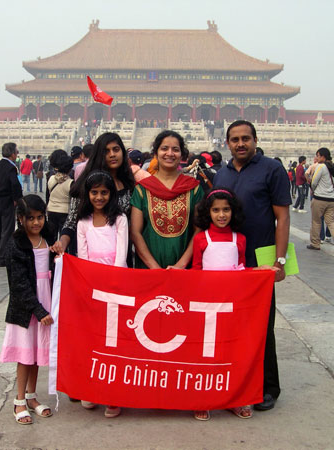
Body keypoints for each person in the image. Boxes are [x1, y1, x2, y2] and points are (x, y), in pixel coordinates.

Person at [213, 120, 290, 411]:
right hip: (228, 261)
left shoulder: (272, 169)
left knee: (261, 325)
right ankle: (235, 382)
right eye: (235, 139)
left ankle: (267, 387)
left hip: (260, 260)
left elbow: (282, 218)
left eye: (246, 138)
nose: (240, 144)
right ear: (228, 143)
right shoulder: (222, 174)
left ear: (255, 140)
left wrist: (279, 261)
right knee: (231, 325)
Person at [192, 187, 249, 421]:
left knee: (232, 353)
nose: (222, 215)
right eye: (216, 210)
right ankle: (203, 399)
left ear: (233, 212)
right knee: (206, 355)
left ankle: (235, 399)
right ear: (208, 212)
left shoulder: (240, 239)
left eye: (226, 210)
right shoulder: (200, 239)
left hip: (232, 307)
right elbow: (196, 271)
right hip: (207, 308)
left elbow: (244, 270)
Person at [75, 170, 127, 418]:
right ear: (88, 194)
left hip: (116, 289)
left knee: (114, 343)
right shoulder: (82, 223)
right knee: (93, 341)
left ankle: (113, 395)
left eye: (104, 192)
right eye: (94, 192)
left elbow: (121, 256)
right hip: (92, 289)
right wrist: (91, 287)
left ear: (111, 194)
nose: (99, 197)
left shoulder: (119, 220)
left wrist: (113, 285)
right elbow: (83, 259)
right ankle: (91, 389)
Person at [0, 194, 54, 424]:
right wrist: (38, 310)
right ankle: (19, 400)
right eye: (30, 218)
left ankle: (32, 396)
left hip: (45, 301)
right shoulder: (16, 244)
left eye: (40, 217)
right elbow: (19, 284)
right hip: (26, 309)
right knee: (25, 356)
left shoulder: (47, 239)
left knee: (37, 354)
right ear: (20, 219)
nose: (35, 223)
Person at [52, 133, 135, 265]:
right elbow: (71, 221)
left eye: (116, 149)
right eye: (106, 151)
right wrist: (62, 242)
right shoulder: (86, 185)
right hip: (89, 255)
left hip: (120, 257)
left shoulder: (129, 184)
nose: (112, 154)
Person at [130, 130, 203, 270]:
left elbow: (199, 229)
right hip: (149, 271)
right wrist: (154, 267)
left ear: (182, 154)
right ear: (155, 153)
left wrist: (181, 265)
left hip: (185, 270)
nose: (170, 153)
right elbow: (135, 232)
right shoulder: (142, 190)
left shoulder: (194, 189)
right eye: (164, 148)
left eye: (175, 149)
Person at [308, 147, 334, 254]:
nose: (316, 158)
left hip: (320, 198)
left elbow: (314, 181)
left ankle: (315, 243)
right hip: (332, 200)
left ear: (323, 156)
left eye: (318, 155)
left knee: (316, 221)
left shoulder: (321, 167)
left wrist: (312, 187)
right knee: (330, 222)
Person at [46, 150, 73, 239]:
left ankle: (51, 252)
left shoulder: (51, 178)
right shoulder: (71, 183)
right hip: (64, 212)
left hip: (51, 210)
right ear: (69, 169)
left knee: (51, 237)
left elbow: (48, 194)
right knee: (63, 238)